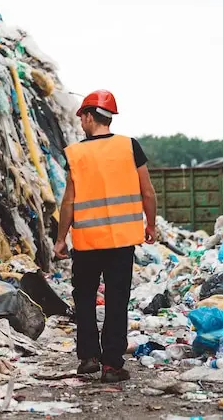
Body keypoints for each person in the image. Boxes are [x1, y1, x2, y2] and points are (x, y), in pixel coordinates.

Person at [54, 90, 157, 382]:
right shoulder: (130, 147)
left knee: (84, 298)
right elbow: (147, 191)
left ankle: (88, 357)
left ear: (88, 116)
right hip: (122, 241)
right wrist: (151, 225)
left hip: (86, 242)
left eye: (82, 118)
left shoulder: (75, 154)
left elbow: (69, 202)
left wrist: (61, 238)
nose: (81, 123)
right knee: (116, 300)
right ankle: (112, 364)